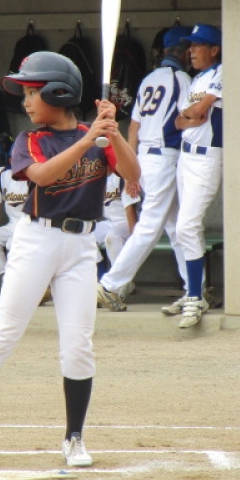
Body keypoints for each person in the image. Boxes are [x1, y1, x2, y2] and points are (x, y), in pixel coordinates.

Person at [0, 52, 140, 468]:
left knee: (78, 346)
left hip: (81, 246)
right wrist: (89, 139)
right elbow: (44, 176)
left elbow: (132, 174)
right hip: (36, 240)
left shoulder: (96, 135)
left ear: (59, 93)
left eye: (33, 92)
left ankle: (74, 438)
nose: (26, 102)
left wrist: (112, 132)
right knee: (4, 333)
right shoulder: (29, 140)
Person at [96, 26, 192, 312]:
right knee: (150, 227)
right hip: (164, 158)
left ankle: (193, 289)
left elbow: (133, 128)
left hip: (144, 157)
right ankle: (110, 285)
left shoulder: (149, 79)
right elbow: (188, 119)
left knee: (176, 227)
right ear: (184, 51)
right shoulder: (182, 78)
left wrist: (131, 168)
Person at [170, 23, 223, 329]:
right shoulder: (196, 79)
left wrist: (192, 114)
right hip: (186, 157)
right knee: (184, 228)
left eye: (198, 45)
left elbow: (200, 112)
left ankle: (194, 296)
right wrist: (190, 115)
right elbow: (179, 121)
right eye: (190, 46)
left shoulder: (222, 72)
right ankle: (195, 291)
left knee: (187, 225)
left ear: (214, 49)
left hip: (207, 157)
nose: (190, 51)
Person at [0, 155, 29, 279]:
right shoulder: (2, 174)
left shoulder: (36, 173)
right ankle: (6, 277)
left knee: (11, 244)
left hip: (31, 223)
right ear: (10, 160)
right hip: (13, 223)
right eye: (15, 157)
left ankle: (19, 280)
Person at [94, 172, 138, 285]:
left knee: (112, 237)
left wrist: (135, 239)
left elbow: (130, 208)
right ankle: (101, 280)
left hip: (126, 222)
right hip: (109, 222)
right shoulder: (98, 175)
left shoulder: (123, 175)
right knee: (85, 235)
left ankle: (122, 284)